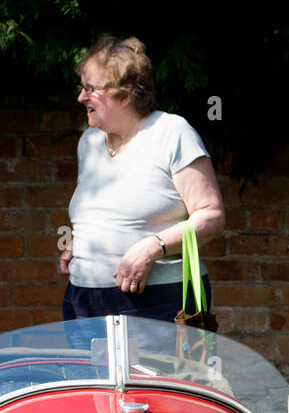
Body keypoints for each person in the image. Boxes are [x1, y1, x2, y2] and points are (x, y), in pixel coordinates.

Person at [60, 36, 225, 322]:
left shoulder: (172, 133)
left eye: (90, 89)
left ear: (124, 95)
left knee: (159, 370)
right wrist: (80, 243)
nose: (81, 97)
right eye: (81, 87)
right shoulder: (90, 142)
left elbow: (211, 216)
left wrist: (152, 247)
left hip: (157, 300)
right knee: (86, 370)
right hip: (83, 299)